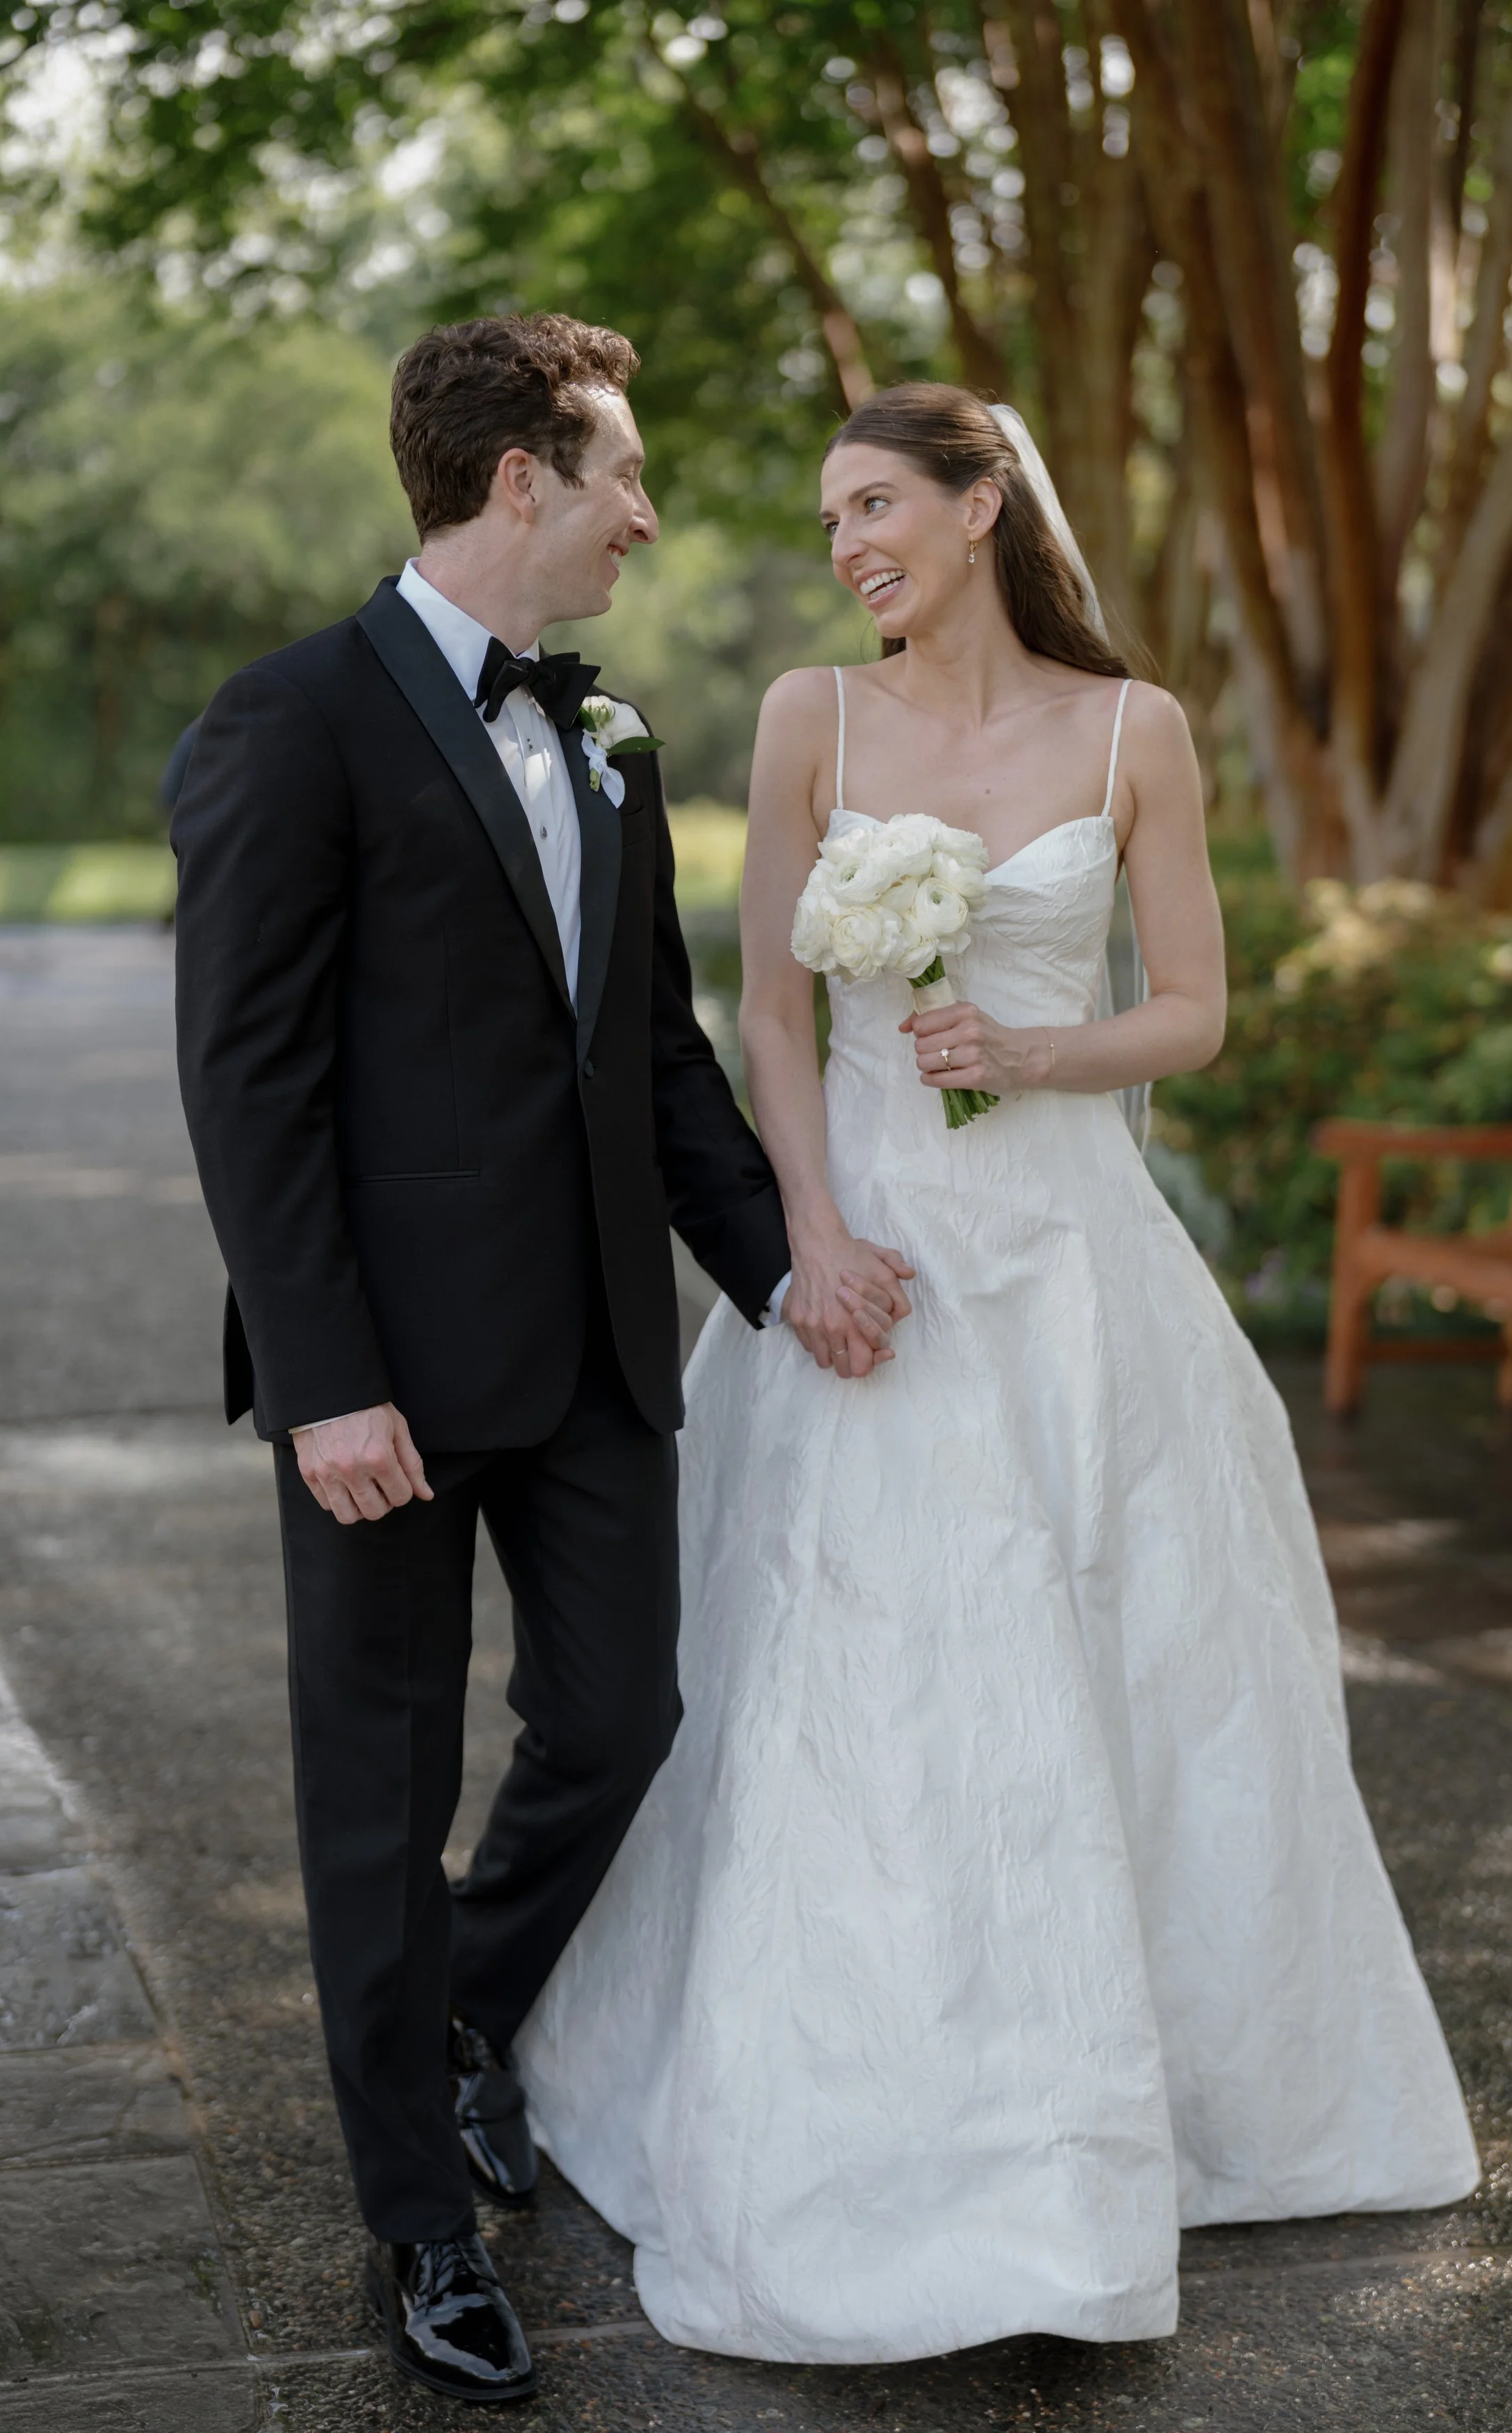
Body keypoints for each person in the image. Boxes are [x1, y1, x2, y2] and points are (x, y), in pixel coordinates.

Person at [517, 382, 1481, 2363]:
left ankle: (1114, 2115)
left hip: (1072, 1266)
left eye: (875, 502)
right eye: (829, 516)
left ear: (979, 506)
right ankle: (874, 2104)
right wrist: (808, 1242)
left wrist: (1033, 1056)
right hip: (870, 1247)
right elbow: (766, 1013)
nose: (847, 540)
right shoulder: (813, 717)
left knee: (1130, 1661)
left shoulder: (1134, 732)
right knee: (865, 1663)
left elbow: (1195, 1009)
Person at [171, 314, 911, 2404]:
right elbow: (249, 1092)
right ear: (522, 480)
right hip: (380, 1389)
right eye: (623, 477)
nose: (646, 518)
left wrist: (782, 1273)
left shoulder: (612, 736)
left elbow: (651, 1060)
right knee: (374, 1803)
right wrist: (322, 1382)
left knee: (623, 1716)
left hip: (593, 1352)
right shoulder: (286, 724)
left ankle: (466, 2018)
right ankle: (417, 2223)